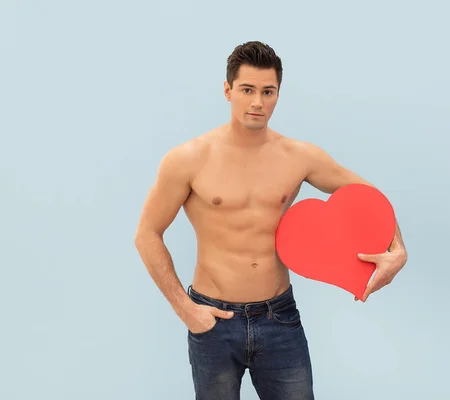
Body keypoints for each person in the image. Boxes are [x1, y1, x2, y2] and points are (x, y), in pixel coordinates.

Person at [134, 41, 408, 400]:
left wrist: (397, 250)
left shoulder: (298, 156)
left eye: (268, 92)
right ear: (228, 90)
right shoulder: (188, 159)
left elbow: (368, 196)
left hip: (279, 318)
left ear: (278, 93)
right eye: (247, 90)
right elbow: (147, 234)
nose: (257, 102)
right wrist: (186, 310)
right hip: (213, 320)